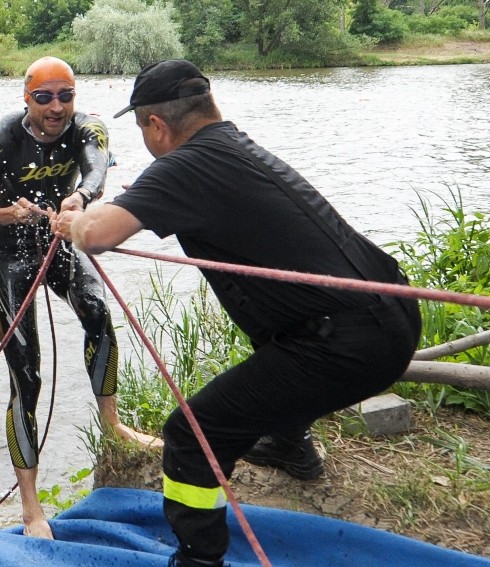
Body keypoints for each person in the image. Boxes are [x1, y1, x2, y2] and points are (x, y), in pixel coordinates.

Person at [47, 59, 423, 567]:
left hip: (347, 343)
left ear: (155, 125)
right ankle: (292, 446)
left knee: (190, 432)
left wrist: (74, 221)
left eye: (143, 130)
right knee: (274, 337)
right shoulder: (230, 148)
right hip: (390, 314)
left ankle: (200, 558)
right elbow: (161, 196)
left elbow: (98, 237)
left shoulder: (184, 167)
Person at [0, 55, 161, 539]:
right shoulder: (2, 139)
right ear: (26, 98)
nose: (56, 107)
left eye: (65, 95)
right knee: (26, 373)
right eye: (44, 97)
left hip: (58, 240)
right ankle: (31, 507)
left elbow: (95, 170)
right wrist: (5, 213)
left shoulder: (88, 129)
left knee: (99, 314)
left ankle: (112, 423)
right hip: (10, 256)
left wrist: (80, 201)